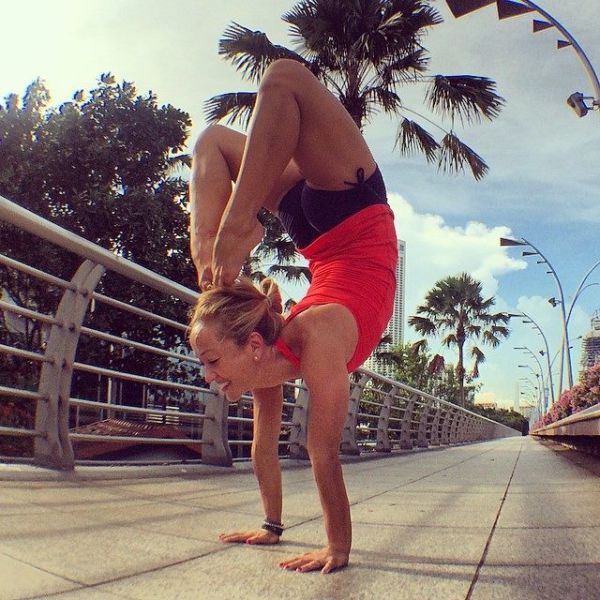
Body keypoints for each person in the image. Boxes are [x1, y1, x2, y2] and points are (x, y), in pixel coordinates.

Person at [188, 58, 398, 574]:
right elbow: (267, 449)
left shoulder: (298, 342)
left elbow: (322, 454)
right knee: (282, 84)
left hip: (319, 228)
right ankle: (230, 231)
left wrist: (337, 549)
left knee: (227, 127)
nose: (209, 376)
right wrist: (271, 527)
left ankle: (219, 240)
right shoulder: (283, 350)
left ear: (252, 347)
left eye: (211, 360)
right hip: (358, 216)